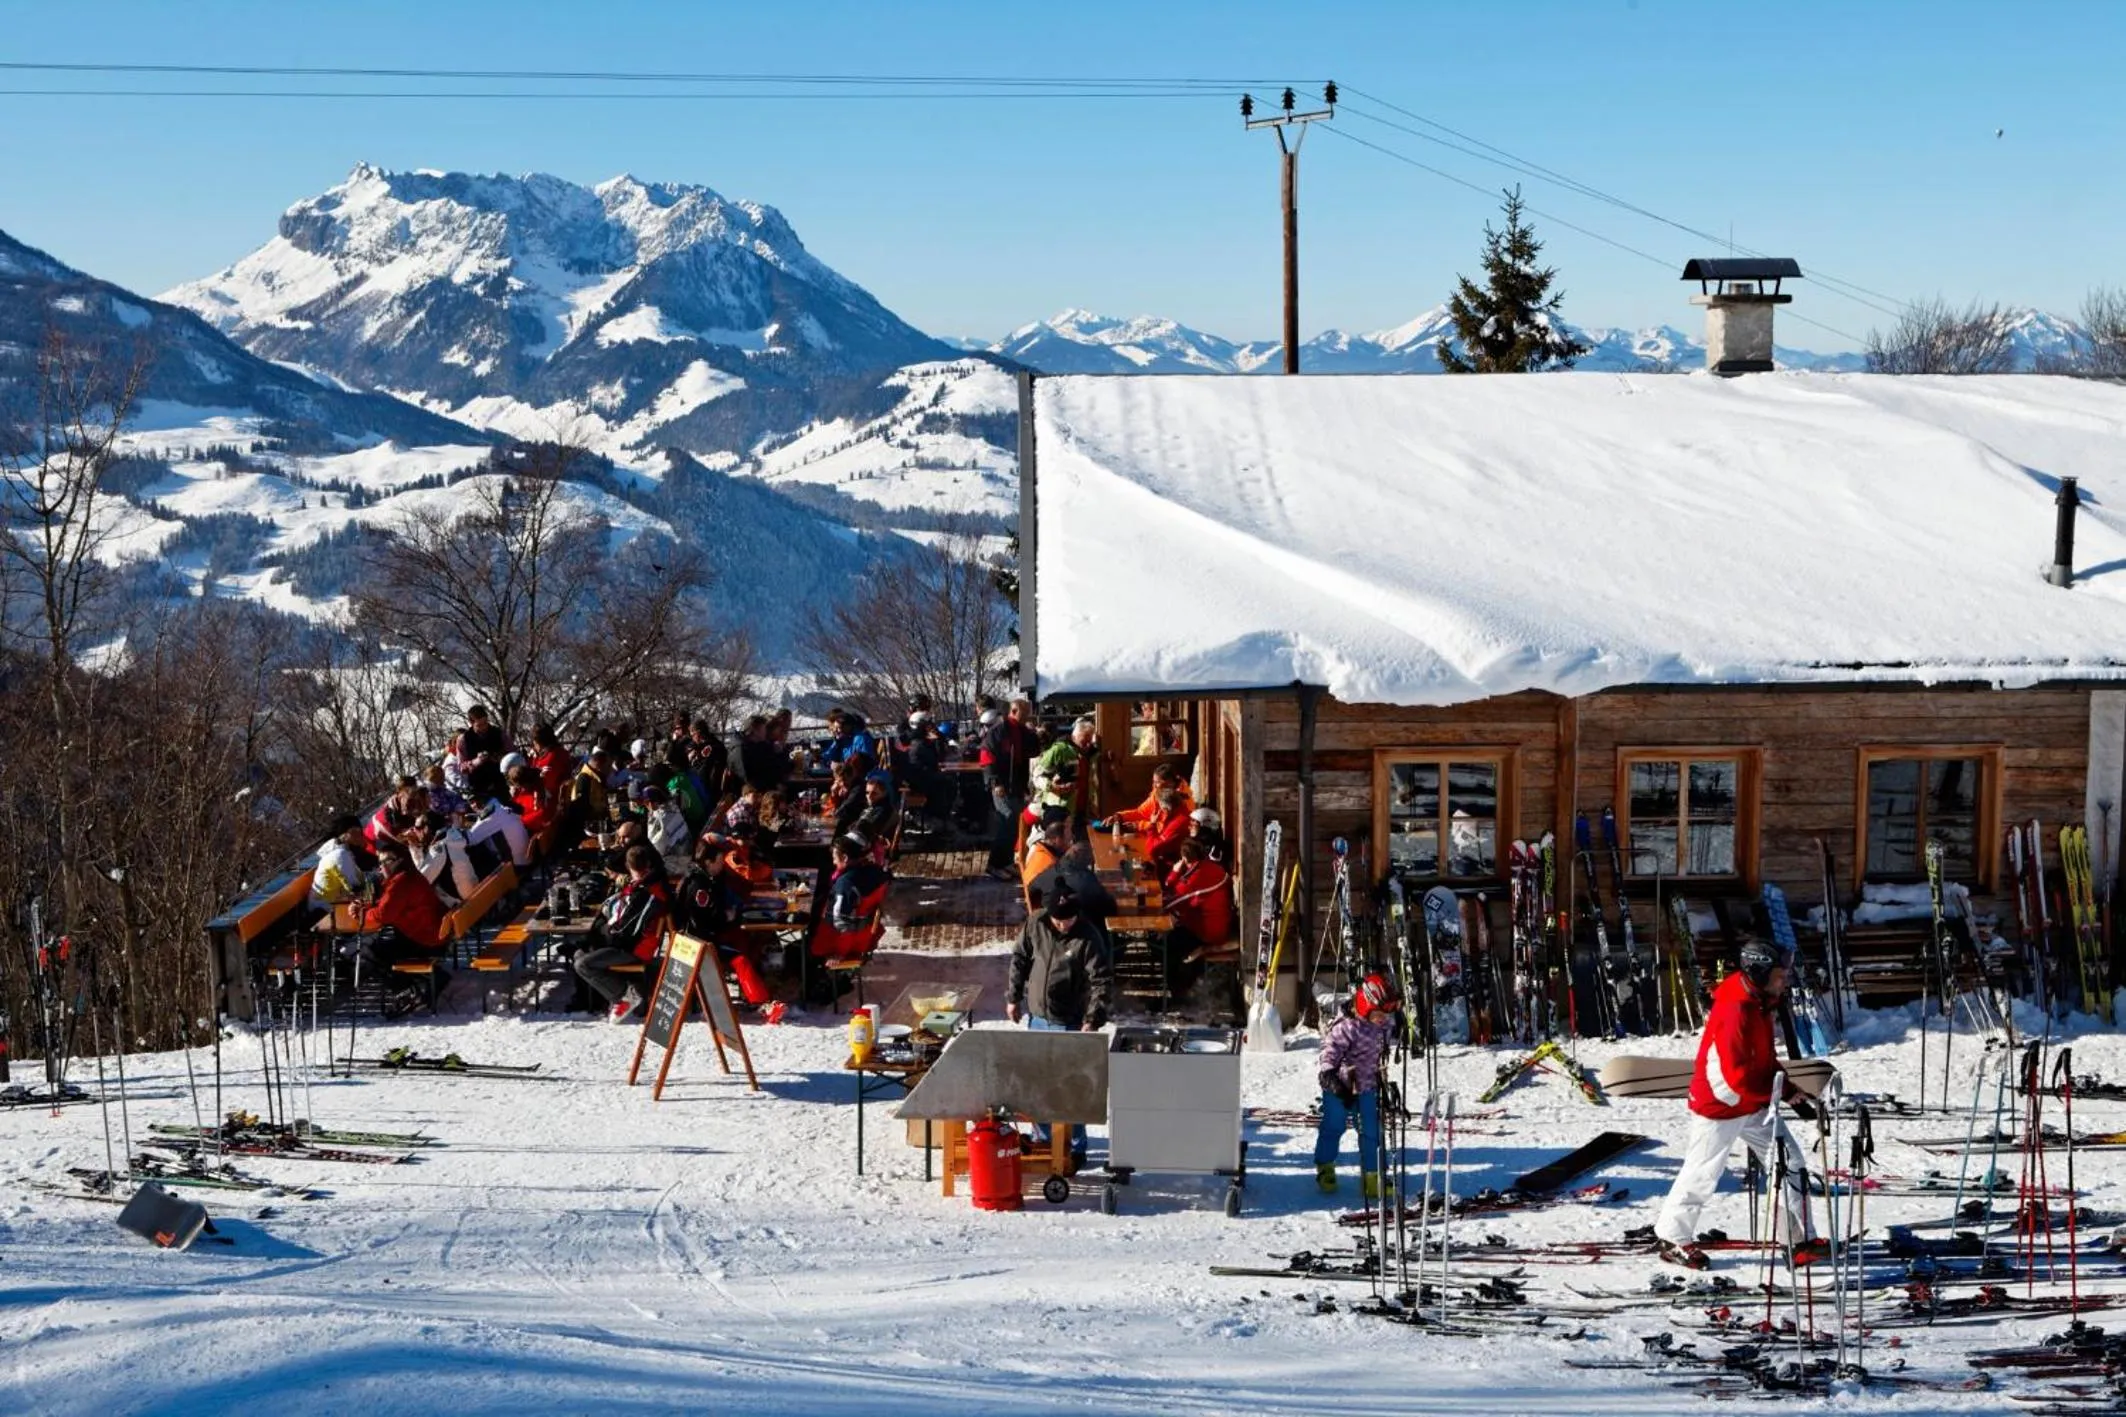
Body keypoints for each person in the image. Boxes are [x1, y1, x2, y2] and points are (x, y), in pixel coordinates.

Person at [1654, 940, 1823, 1270]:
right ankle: (1673, 1239)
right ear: (1759, 974)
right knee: (1704, 1172)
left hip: (1752, 1100)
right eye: (1779, 975)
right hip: (1721, 1102)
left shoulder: (1760, 1001)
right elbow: (1736, 1076)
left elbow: (1764, 1057)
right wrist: (1774, 1094)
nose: (1785, 981)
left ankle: (1798, 1241)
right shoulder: (1736, 1009)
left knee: (1790, 1163)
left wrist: (1788, 1089)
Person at [1316, 974, 1400, 1196]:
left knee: (1372, 1131)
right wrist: (1329, 1075)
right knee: (1334, 1126)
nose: (1384, 1019)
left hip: (1367, 1086)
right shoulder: (1346, 1027)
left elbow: (1384, 1041)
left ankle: (1372, 1177)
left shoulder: (1383, 1025)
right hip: (1340, 1088)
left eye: (1386, 1014)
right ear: (1365, 1006)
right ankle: (1325, 1165)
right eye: (1379, 1014)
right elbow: (1330, 1051)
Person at [573, 845, 671, 1021]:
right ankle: (606, 998)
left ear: (629, 866)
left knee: (583, 964)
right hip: (625, 942)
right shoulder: (641, 886)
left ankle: (625, 996)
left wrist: (602, 935)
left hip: (634, 949)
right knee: (580, 953)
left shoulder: (649, 893)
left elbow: (626, 931)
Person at [1007, 880, 1115, 1035]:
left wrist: (1093, 1020)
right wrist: (1013, 997)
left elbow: (1102, 980)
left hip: (1069, 1021)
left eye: (1069, 920)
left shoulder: (1089, 937)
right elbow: (1020, 958)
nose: (1064, 926)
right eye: (1058, 922)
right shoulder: (1036, 923)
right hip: (1037, 1017)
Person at [1164, 837, 1236, 1005]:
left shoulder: (1195, 876)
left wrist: (1175, 872)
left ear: (1184, 858)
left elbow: (1173, 899)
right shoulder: (1212, 868)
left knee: (1168, 943)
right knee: (1176, 935)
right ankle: (1186, 982)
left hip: (1210, 931)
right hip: (1219, 923)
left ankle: (1178, 992)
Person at [362, 847, 447, 969]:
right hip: (432, 934)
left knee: (374, 950)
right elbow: (390, 904)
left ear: (400, 860)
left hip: (426, 941)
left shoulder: (400, 882)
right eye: (380, 862)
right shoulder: (409, 874)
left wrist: (362, 913)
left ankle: (406, 980)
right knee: (382, 943)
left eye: (388, 861)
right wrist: (369, 907)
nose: (382, 866)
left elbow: (383, 915)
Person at [1100, 763, 1193, 834]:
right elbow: (1141, 812)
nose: (1154, 785)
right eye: (1154, 782)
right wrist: (1119, 817)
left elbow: (1164, 828)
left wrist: (1138, 825)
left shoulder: (1182, 801)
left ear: (1170, 783)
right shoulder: (1158, 794)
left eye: (1157, 782)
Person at [309, 814, 370, 911]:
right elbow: (355, 887)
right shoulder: (339, 855)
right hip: (324, 910)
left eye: (360, 831)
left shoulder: (346, 852)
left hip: (335, 903)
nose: (359, 835)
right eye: (354, 831)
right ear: (344, 834)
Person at [454, 703, 511, 800]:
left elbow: (512, 753)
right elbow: (461, 767)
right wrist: (477, 761)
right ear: (471, 723)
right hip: (478, 788)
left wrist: (501, 758)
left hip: (500, 784)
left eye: (485, 723)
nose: (484, 727)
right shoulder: (463, 740)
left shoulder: (499, 733)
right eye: (479, 725)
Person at [467, 791, 532, 869]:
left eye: (475, 800)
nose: (474, 805)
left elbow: (470, 840)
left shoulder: (488, 815)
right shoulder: (500, 803)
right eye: (471, 802)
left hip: (516, 866)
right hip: (527, 856)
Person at [643, 784, 692, 872]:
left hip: (680, 858)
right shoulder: (673, 804)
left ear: (653, 802)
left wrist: (651, 815)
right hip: (688, 845)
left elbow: (657, 844)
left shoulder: (661, 818)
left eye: (647, 802)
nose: (646, 805)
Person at [739, 714, 792, 793]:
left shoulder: (757, 746)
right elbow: (770, 770)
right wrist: (775, 785)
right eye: (764, 729)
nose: (765, 731)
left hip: (764, 785)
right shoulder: (756, 749)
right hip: (759, 790)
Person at [528, 722, 573, 800]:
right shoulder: (559, 751)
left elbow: (542, 784)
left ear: (539, 743)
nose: (533, 746)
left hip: (551, 799)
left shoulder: (551, 758)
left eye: (534, 743)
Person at [570, 748, 613, 827]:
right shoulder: (584, 779)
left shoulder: (598, 778)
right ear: (598, 764)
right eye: (609, 766)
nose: (611, 770)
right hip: (588, 827)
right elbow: (580, 809)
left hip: (600, 823)